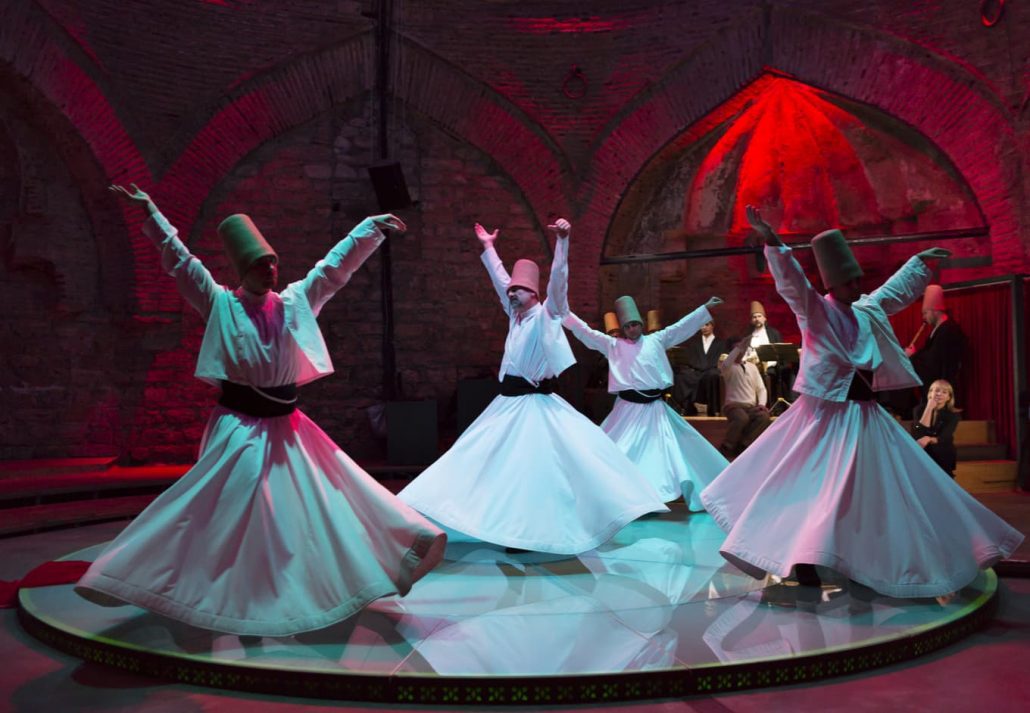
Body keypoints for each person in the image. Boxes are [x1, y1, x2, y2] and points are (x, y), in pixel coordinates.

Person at [76, 185, 446, 636]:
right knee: (233, 503)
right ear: (243, 269)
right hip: (240, 426)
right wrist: (152, 213)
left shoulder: (293, 303)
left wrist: (368, 231)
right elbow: (181, 263)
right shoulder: (221, 305)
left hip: (287, 426)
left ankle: (294, 588)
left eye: (272, 262)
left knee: (318, 501)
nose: (269, 269)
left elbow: (331, 270)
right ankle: (190, 584)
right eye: (260, 264)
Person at [701, 205, 1022, 598]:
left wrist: (919, 264)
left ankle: (862, 557)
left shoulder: (865, 309)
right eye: (850, 281)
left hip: (866, 417)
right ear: (834, 283)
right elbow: (793, 285)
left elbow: (890, 293)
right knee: (811, 487)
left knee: (876, 490)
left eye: (857, 279)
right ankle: (804, 559)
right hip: (825, 417)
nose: (857, 286)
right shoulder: (816, 311)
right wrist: (773, 241)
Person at [398, 219, 668, 554]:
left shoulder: (546, 315)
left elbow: (558, 283)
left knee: (536, 466)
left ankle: (532, 531)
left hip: (533, 404)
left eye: (519, 289)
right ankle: (450, 511)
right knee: (479, 456)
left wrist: (564, 243)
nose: (512, 293)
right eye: (511, 290)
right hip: (508, 403)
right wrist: (488, 247)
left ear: (534, 294)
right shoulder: (514, 316)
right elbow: (499, 282)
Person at [563, 295, 729, 507]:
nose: (632, 329)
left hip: (654, 409)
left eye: (635, 324)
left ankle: (653, 496)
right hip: (628, 410)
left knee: (658, 454)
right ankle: (621, 495)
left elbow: (681, 327)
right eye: (628, 326)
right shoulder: (613, 345)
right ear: (623, 328)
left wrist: (704, 308)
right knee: (618, 449)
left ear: (641, 324)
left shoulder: (657, 339)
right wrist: (564, 313)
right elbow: (586, 332)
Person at [718, 333, 771, 459]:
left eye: (743, 349)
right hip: (733, 406)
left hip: (750, 406)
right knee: (741, 418)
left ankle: (744, 446)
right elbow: (727, 362)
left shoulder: (752, 367)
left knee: (764, 417)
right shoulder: (727, 366)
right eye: (738, 349)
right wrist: (740, 347)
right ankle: (727, 446)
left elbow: (761, 388)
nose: (741, 351)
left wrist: (762, 405)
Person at [906, 285, 965, 394]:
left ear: (935, 310)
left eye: (925, 313)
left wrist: (913, 356)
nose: (924, 317)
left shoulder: (948, 330)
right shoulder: (939, 330)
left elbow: (933, 364)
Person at [672, 319, 728, 415]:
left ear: (712, 326)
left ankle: (713, 409)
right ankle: (687, 407)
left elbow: (721, 359)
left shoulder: (721, 343)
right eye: (702, 325)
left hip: (711, 370)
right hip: (696, 371)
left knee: (713, 375)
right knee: (681, 376)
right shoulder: (695, 343)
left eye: (707, 325)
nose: (704, 328)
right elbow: (690, 359)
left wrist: (708, 367)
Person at [912, 379, 960, 478]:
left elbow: (945, 437)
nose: (939, 394)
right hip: (923, 452)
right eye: (936, 390)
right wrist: (929, 408)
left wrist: (929, 438)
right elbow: (918, 432)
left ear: (948, 397)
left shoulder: (953, 415)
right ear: (930, 393)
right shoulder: (918, 410)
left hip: (942, 452)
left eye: (944, 392)